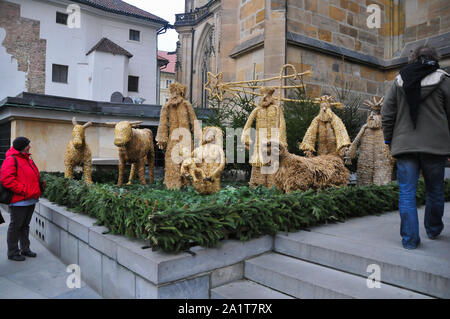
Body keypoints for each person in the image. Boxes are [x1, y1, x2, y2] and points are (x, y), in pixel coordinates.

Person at [382, 45, 450, 249]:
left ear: (413, 58)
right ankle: (433, 228)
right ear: (435, 58)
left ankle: (410, 240)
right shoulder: (444, 81)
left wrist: (388, 139)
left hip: (405, 146)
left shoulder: (399, 80)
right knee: (435, 190)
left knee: (406, 193)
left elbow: (387, 114)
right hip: (435, 147)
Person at [0, 137, 43, 261]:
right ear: (22, 146)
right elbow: (7, 179)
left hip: (30, 198)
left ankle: (25, 249)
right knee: (15, 226)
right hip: (19, 200)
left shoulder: (27, 158)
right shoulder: (11, 160)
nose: (29, 147)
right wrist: (23, 189)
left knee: (25, 225)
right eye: (27, 145)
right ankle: (13, 252)